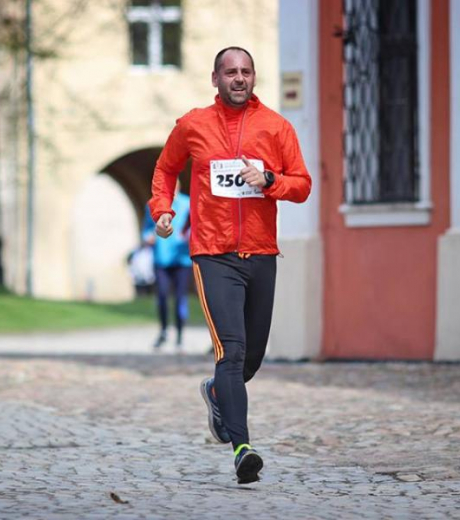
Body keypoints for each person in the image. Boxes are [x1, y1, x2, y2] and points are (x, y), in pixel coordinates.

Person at [148, 46, 311, 484]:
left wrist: (271, 180)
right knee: (231, 350)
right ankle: (243, 448)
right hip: (213, 254)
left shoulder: (276, 127)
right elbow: (165, 170)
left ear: (254, 77)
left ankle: (217, 391)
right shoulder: (192, 125)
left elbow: (302, 185)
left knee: (250, 359)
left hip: (261, 253)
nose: (239, 78)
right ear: (215, 79)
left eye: (246, 71)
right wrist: (161, 208)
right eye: (230, 72)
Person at [141, 183, 192, 349]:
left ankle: (180, 335)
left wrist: (189, 236)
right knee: (162, 295)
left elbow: (195, 227)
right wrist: (148, 237)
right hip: (161, 258)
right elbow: (146, 229)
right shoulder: (153, 204)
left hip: (182, 258)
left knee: (180, 297)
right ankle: (163, 331)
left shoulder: (188, 203)